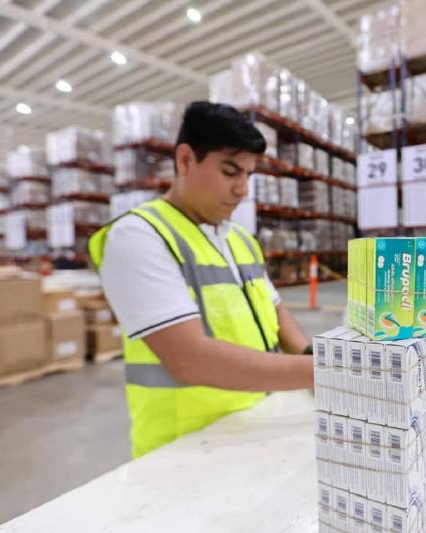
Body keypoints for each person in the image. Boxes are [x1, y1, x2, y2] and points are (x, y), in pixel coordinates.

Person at [89, 102, 314, 458]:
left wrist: (313, 357)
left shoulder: (239, 239)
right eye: (230, 172)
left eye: (249, 175)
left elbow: (276, 312)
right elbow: (189, 359)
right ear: (185, 160)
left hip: (256, 426)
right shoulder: (139, 237)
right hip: (184, 451)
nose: (243, 190)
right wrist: (323, 372)